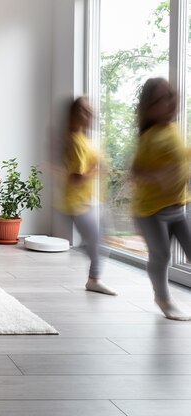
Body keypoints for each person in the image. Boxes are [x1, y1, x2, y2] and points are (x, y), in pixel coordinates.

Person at [131, 77, 191, 321]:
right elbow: (135, 171)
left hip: (179, 207)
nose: (169, 103)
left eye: (170, 96)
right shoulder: (150, 137)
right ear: (149, 108)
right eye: (160, 100)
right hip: (150, 211)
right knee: (162, 255)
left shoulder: (174, 130)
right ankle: (162, 297)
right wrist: (158, 174)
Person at [59, 97, 117, 296]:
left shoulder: (85, 140)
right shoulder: (75, 142)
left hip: (92, 200)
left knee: (104, 239)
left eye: (90, 111)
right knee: (98, 244)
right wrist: (94, 168)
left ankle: (93, 275)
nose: (89, 115)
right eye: (84, 111)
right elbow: (76, 178)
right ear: (74, 115)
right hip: (78, 203)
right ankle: (94, 280)